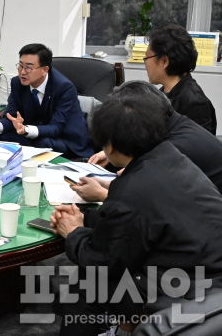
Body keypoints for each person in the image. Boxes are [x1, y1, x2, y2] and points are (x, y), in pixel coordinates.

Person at [51, 95, 222, 336]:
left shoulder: (130, 191)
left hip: (190, 288)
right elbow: (141, 220)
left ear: (110, 146)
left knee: (89, 282)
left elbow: (102, 262)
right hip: (209, 269)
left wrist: (73, 233)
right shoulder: (171, 156)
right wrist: (86, 219)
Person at [76, 81, 222, 202]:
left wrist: (102, 194)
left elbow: (150, 201)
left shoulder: (175, 148)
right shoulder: (175, 124)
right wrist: (114, 151)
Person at [0, 43, 93, 157]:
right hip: (34, 135)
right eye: (20, 66)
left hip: (66, 139)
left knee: (44, 144)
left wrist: (25, 129)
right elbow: (11, 117)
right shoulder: (17, 83)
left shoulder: (64, 87)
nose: (22, 72)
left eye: (29, 68)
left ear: (45, 70)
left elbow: (56, 127)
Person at [144, 24, 216, 134]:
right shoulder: (162, 93)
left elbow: (198, 143)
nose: (145, 64)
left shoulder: (195, 103)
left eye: (147, 58)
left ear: (164, 61)